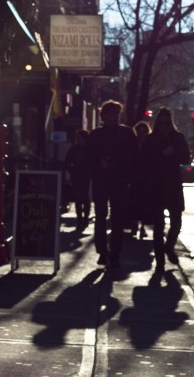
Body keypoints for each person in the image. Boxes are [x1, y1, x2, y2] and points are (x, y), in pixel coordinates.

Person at [88, 100, 139, 268]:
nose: (114, 116)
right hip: (102, 180)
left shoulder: (126, 133)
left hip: (118, 180)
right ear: (104, 115)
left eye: (117, 113)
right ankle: (103, 251)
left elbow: (134, 157)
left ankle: (114, 253)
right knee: (101, 217)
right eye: (111, 113)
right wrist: (99, 164)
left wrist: (127, 175)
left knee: (117, 219)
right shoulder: (96, 135)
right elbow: (88, 158)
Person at [141, 108, 191, 273]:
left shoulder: (178, 138)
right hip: (156, 185)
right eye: (161, 123)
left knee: (176, 222)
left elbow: (186, 158)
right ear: (157, 123)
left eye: (167, 123)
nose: (164, 127)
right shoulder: (151, 139)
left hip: (173, 184)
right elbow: (145, 160)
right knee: (158, 225)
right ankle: (160, 262)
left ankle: (169, 247)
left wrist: (174, 153)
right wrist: (163, 154)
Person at [64, 129, 92, 232]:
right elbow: (67, 162)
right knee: (78, 198)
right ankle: (80, 219)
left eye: (80, 138)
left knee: (84, 197)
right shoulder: (74, 149)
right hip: (76, 176)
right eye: (77, 138)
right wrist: (72, 171)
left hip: (86, 176)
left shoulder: (89, 149)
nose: (78, 140)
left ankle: (85, 218)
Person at [129, 121, 151, 239]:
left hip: (146, 178)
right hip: (135, 178)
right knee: (134, 202)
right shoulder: (132, 144)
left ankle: (142, 225)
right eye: (140, 132)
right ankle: (134, 224)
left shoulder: (150, 144)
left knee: (144, 203)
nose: (142, 134)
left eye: (144, 132)